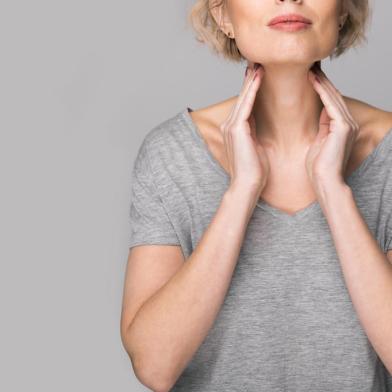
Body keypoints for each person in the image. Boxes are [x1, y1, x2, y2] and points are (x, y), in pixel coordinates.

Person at [121, 0, 392, 390]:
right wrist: (241, 191)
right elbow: (153, 366)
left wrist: (334, 192)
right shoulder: (171, 154)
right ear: (222, 15)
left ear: (345, 9)